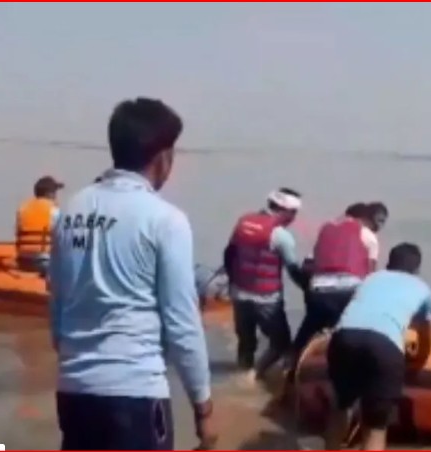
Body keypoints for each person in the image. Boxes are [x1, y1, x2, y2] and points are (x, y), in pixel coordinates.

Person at [49, 98, 216, 450]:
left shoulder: (70, 211)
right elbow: (182, 322)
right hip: (135, 394)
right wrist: (203, 406)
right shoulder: (165, 220)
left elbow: (57, 310)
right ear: (163, 157)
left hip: (74, 392)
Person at [325, 243, 431, 450]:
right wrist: (419, 360)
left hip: (345, 337)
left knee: (341, 406)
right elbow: (426, 334)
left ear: (388, 263)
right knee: (375, 426)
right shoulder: (422, 289)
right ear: (417, 269)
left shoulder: (370, 278)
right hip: (385, 345)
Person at [288, 202, 384, 376]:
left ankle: (289, 370)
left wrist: (309, 293)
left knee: (307, 332)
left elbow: (308, 265)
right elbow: (370, 276)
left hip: (318, 291)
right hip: (348, 292)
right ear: (364, 219)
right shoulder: (368, 235)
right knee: (350, 333)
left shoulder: (326, 230)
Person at [223, 187, 302, 381]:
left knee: (246, 341)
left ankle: (243, 369)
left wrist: (233, 283)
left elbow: (229, 254)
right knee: (281, 343)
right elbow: (293, 269)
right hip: (267, 298)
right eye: (293, 213)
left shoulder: (243, 222)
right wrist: (308, 289)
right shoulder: (281, 235)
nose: (294, 218)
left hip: (239, 294)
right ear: (284, 211)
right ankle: (253, 377)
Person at [15, 176, 64, 274]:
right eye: (54, 192)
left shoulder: (22, 208)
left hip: (22, 259)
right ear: (48, 194)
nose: (55, 196)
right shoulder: (55, 211)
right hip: (44, 260)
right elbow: (63, 237)